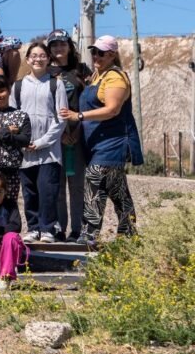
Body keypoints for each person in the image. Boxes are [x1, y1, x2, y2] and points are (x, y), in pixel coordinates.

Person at [59, 35, 143, 246]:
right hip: (97, 143)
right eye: (94, 51)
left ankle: (88, 235)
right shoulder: (97, 76)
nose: (96, 56)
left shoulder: (115, 77)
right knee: (117, 190)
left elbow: (112, 110)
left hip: (113, 142)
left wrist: (78, 116)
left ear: (112, 54)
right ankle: (129, 236)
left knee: (95, 178)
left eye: (101, 53)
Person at [10, 42, 68, 244]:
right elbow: (12, 118)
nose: (38, 59)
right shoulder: (17, 86)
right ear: (27, 59)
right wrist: (21, 141)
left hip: (49, 151)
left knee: (48, 191)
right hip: (25, 152)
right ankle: (33, 228)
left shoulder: (55, 84)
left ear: (48, 59)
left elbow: (62, 119)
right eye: (33, 55)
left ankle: (48, 229)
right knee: (29, 192)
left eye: (42, 55)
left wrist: (42, 142)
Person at [47, 29, 91, 241]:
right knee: (57, 185)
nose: (58, 48)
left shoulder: (81, 70)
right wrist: (60, 132)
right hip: (55, 137)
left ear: (70, 46)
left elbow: (91, 101)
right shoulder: (45, 72)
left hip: (78, 135)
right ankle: (58, 228)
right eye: (54, 44)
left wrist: (77, 128)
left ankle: (77, 229)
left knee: (77, 185)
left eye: (62, 44)